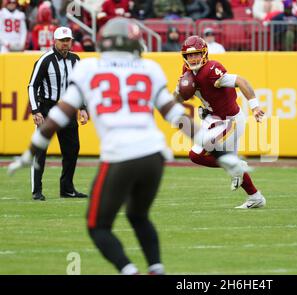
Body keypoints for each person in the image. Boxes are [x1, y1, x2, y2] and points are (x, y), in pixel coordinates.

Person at [8, 17, 250, 274]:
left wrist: (29, 153)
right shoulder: (150, 69)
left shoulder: (88, 69)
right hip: (153, 157)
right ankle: (156, 269)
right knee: (139, 216)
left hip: (120, 157)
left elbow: (55, 118)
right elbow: (177, 117)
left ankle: (129, 271)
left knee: (98, 226)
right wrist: (223, 155)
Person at [175, 35, 267, 209]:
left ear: (204, 53)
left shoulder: (212, 70)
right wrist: (178, 93)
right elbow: (178, 97)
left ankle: (237, 166)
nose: (192, 58)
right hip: (212, 119)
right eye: (189, 55)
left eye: (196, 54)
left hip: (229, 120)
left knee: (197, 154)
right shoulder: (187, 72)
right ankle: (255, 197)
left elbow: (241, 81)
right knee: (226, 159)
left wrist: (254, 107)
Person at [28, 26, 89, 201]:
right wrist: (36, 110)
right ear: (54, 41)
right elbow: (32, 85)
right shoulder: (45, 60)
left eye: (67, 40)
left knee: (72, 149)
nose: (65, 44)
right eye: (62, 41)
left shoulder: (76, 60)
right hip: (47, 109)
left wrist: (83, 107)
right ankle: (37, 190)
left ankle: (67, 188)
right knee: (41, 150)